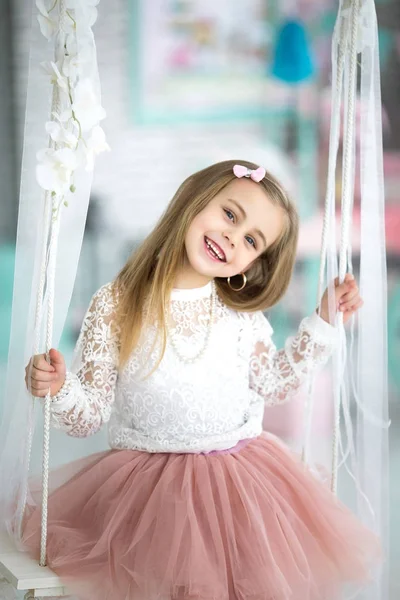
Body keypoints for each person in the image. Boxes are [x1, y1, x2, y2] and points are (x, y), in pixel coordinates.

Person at [23, 160, 380, 600]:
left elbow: (274, 384)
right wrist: (61, 388)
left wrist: (324, 321)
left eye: (251, 239)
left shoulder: (241, 316)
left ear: (250, 262)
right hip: (149, 498)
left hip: (240, 488)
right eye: (230, 214)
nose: (233, 236)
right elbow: (88, 416)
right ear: (193, 202)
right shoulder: (116, 305)